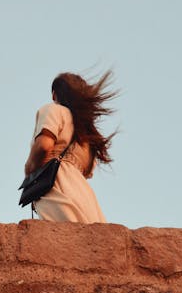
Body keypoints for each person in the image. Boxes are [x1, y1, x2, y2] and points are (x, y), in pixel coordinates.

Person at [24, 71, 117, 223]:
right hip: (85, 197)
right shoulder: (88, 135)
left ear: (54, 94)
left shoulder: (55, 110)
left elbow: (44, 145)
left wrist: (29, 169)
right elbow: (87, 172)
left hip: (58, 188)